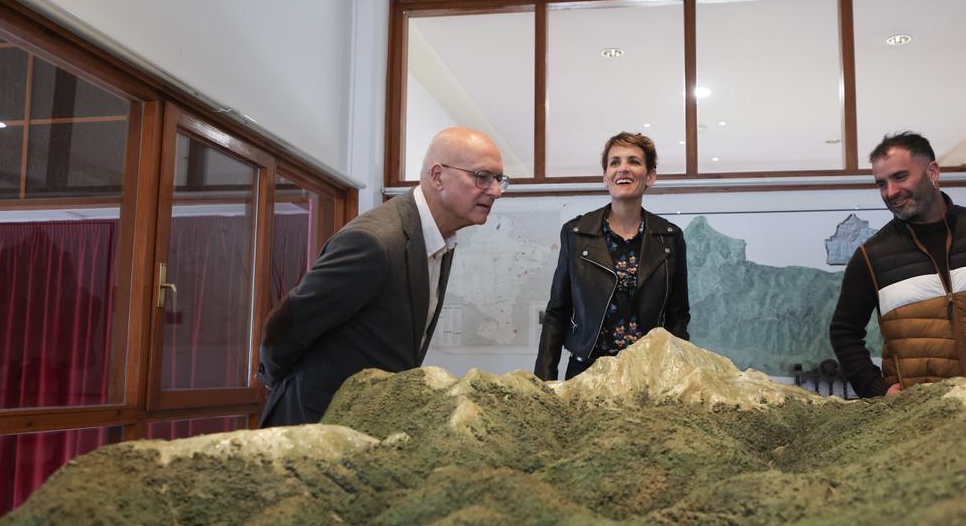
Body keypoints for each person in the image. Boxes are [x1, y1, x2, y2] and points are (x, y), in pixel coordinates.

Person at [257, 127, 507, 426]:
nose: (496, 191)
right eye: (483, 177)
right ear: (438, 176)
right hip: (314, 422)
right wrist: (280, 383)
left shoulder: (441, 241)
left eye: (499, 180)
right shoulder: (375, 242)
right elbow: (288, 324)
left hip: (366, 424)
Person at [829, 131, 966, 398]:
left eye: (900, 177)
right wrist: (877, 389)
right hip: (923, 418)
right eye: (881, 184)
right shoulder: (871, 256)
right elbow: (844, 332)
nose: (891, 192)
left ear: (932, 172)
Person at [535, 132, 690, 380]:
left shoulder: (670, 238)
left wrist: (678, 376)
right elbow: (557, 313)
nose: (623, 169)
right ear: (605, 177)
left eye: (634, 161)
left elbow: (678, 316)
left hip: (649, 375)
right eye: (614, 162)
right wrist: (544, 382)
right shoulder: (576, 234)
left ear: (650, 176)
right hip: (587, 373)